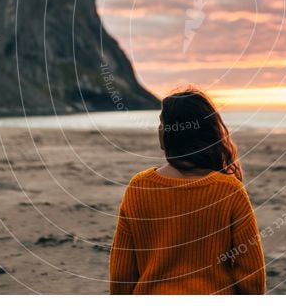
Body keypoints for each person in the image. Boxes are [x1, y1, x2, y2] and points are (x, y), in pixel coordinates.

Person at [109, 88, 266, 294]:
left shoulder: (139, 187)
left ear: (167, 134)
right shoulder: (229, 190)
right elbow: (253, 277)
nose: (159, 128)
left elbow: (121, 274)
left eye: (162, 123)